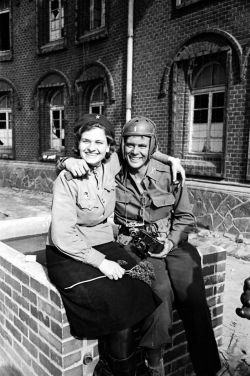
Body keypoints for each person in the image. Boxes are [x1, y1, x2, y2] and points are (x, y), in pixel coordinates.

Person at [60, 116, 222, 376]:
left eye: (142, 146)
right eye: (130, 145)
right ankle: (154, 363)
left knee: (193, 300)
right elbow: (85, 157)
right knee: (160, 292)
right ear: (122, 146)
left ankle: (210, 368)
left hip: (173, 242)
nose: (135, 151)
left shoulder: (169, 172)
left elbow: (185, 217)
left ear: (152, 147)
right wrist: (67, 160)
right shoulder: (114, 166)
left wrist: (170, 241)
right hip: (137, 246)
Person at [46, 114, 163, 376]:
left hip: (103, 243)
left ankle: (118, 365)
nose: (92, 147)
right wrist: (101, 262)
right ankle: (119, 370)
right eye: (86, 141)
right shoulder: (66, 179)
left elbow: (143, 151)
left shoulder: (110, 163)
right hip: (68, 253)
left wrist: (171, 160)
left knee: (143, 286)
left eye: (99, 142)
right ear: (77, 145)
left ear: (109, 146)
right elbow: (62, 236)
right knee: (117, 307)